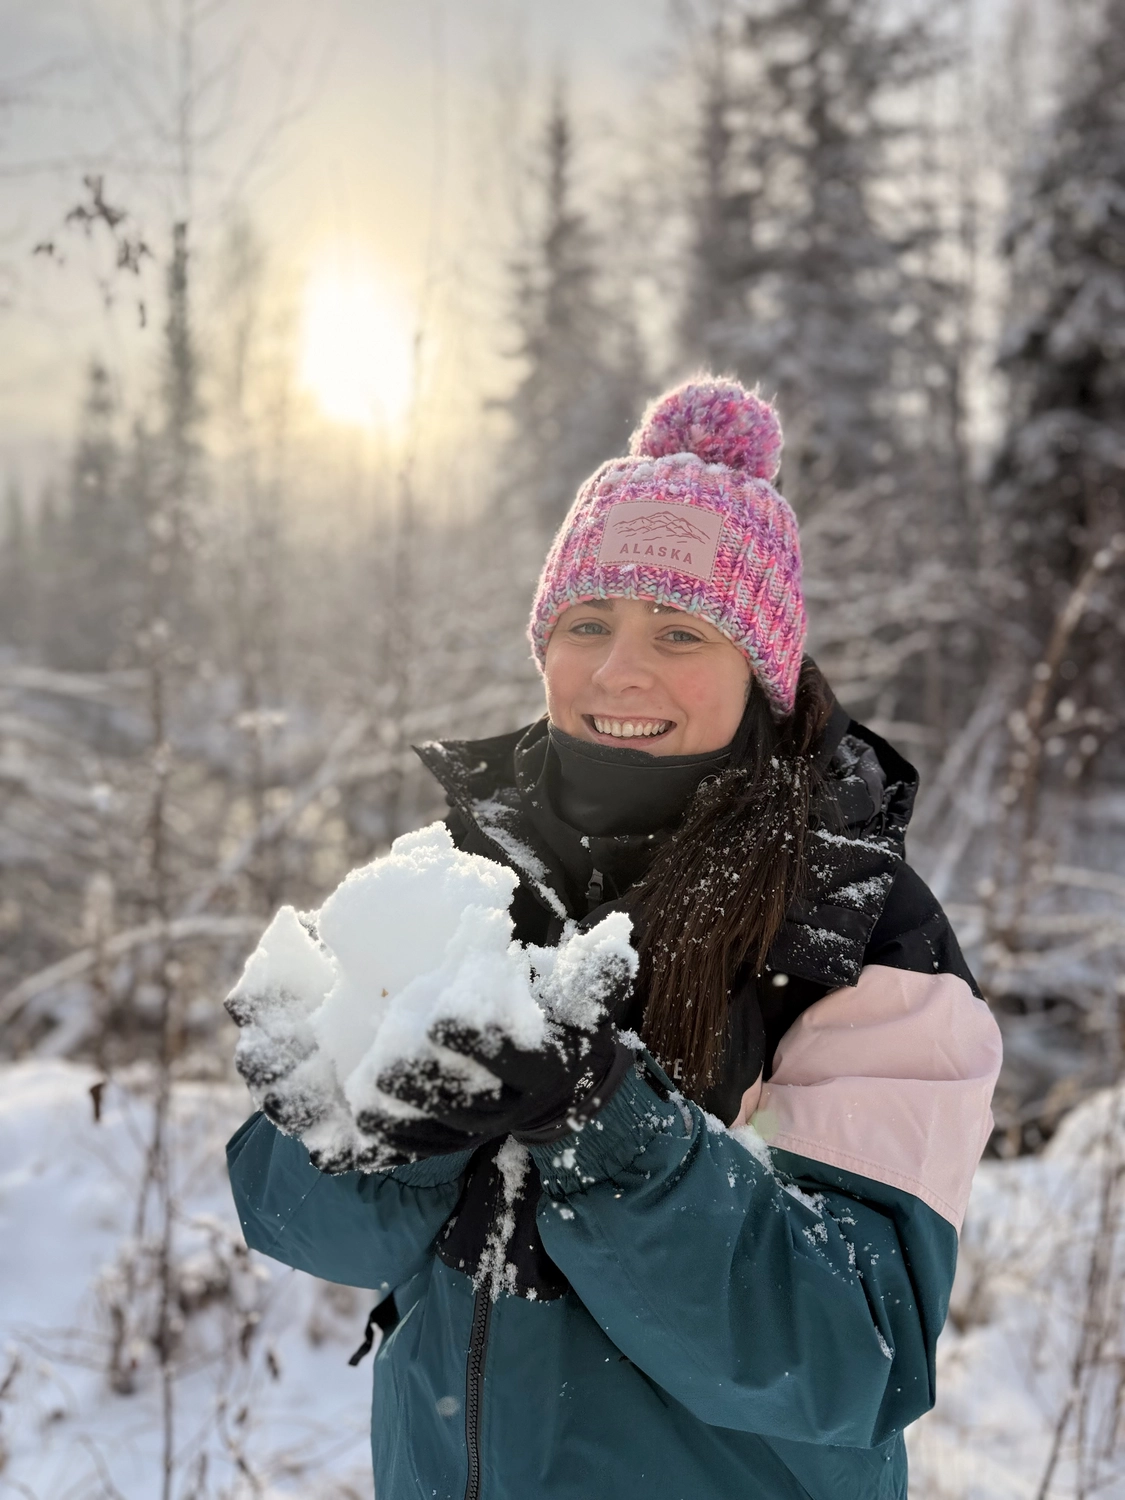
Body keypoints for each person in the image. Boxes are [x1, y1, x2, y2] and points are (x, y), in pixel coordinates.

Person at [226, 376, 1002, 1500]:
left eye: (680, 632)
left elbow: (851, 1353)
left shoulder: (861, 934)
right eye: (587, 623)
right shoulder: (462, 878)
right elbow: (303, 1225)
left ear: (762, 672)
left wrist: (604, 1120)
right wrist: (363, 1124)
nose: (618, 670)